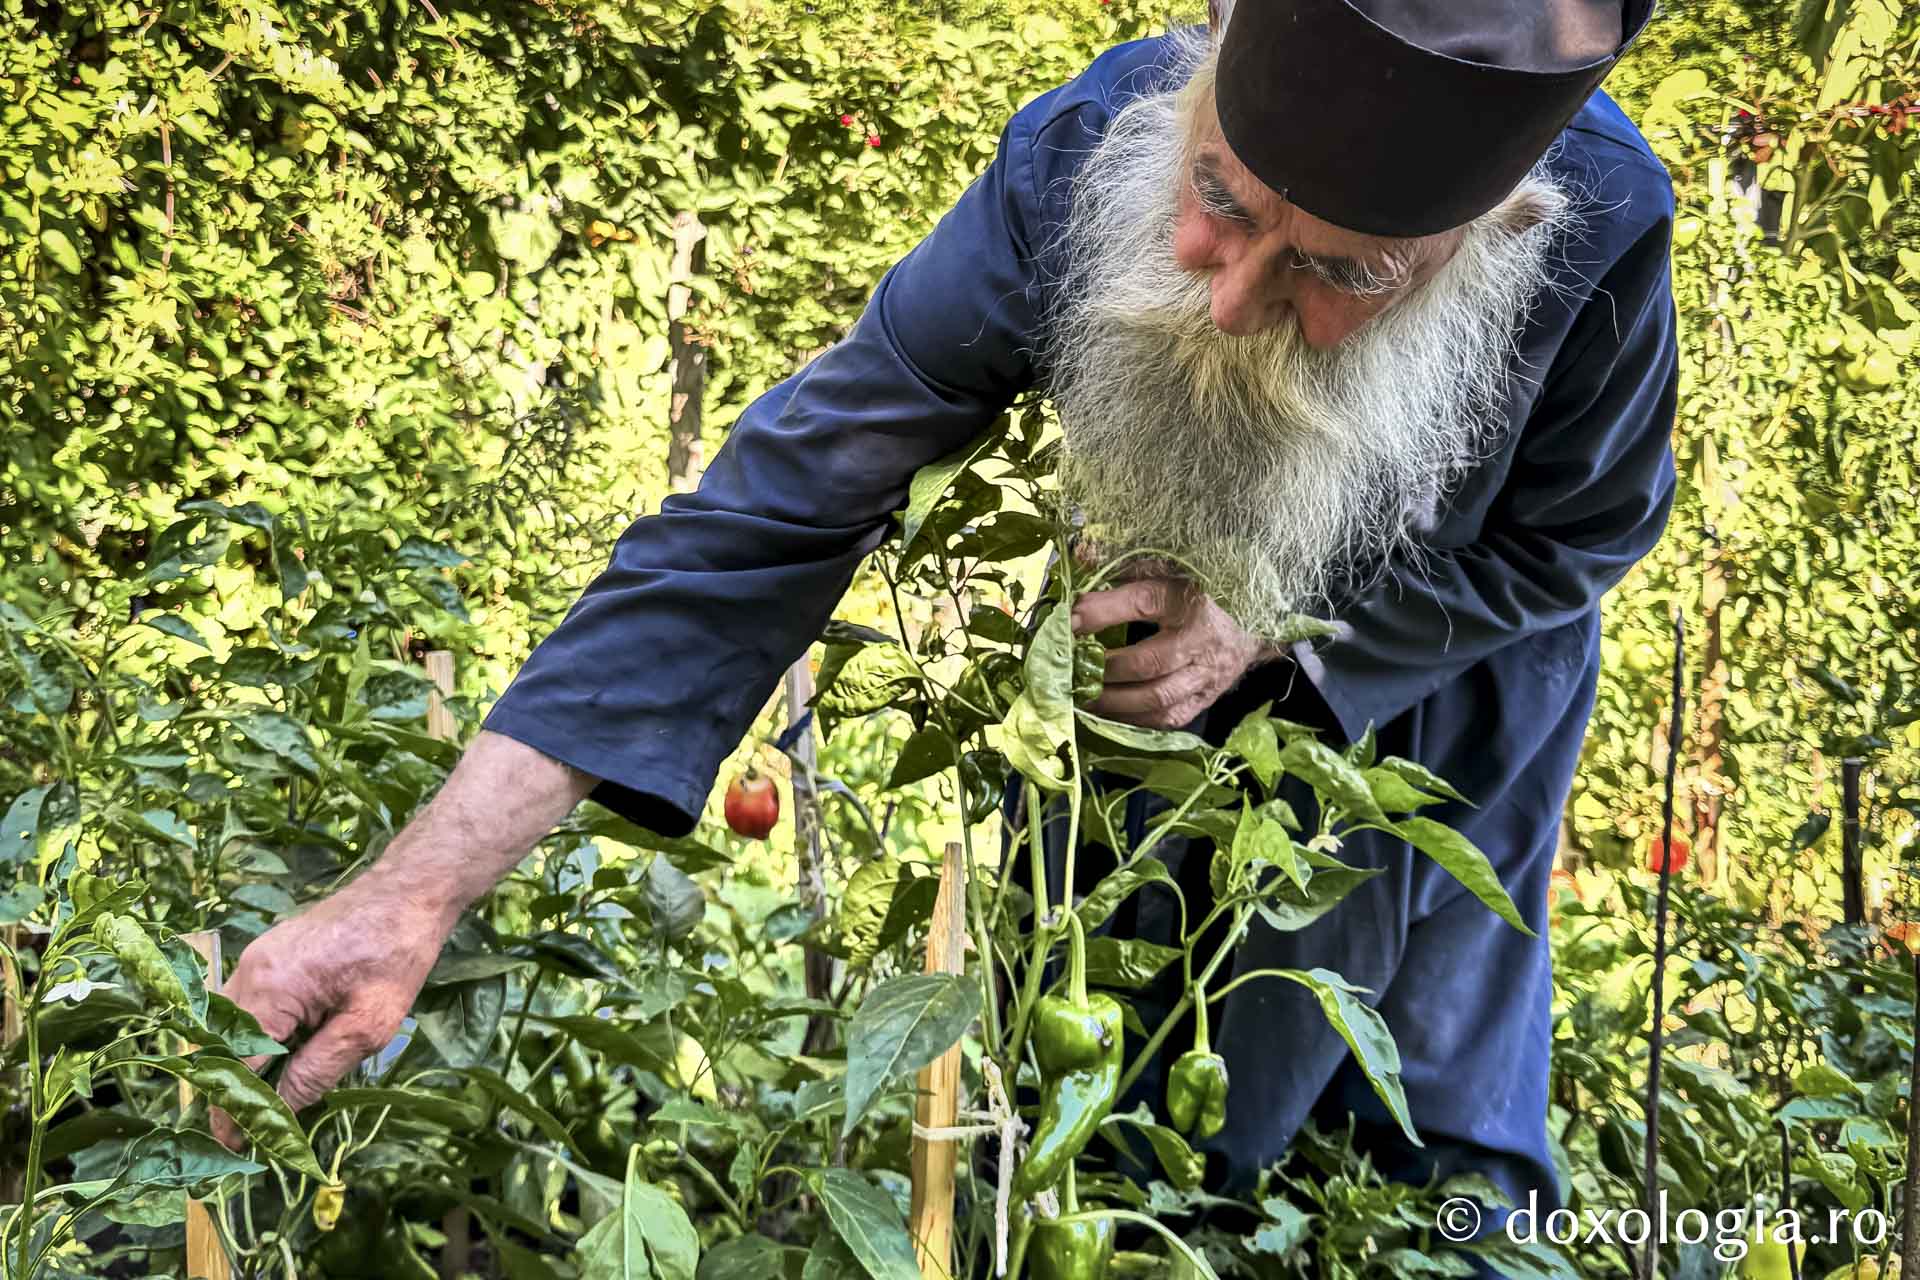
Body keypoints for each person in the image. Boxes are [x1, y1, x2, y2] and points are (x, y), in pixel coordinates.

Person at [220, 0, 1677, 1221]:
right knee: (1096, 1122)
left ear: (1503, 227)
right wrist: (411, 893)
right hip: (1137, 685)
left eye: (1338, 273)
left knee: (1433, 1142)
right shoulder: (1073, 159)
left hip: (1440, 694)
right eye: (1219, 202)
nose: (1230, 298)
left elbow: (1587, 533)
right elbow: (776, 510)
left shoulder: (1601, 226)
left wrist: (1293, 639)